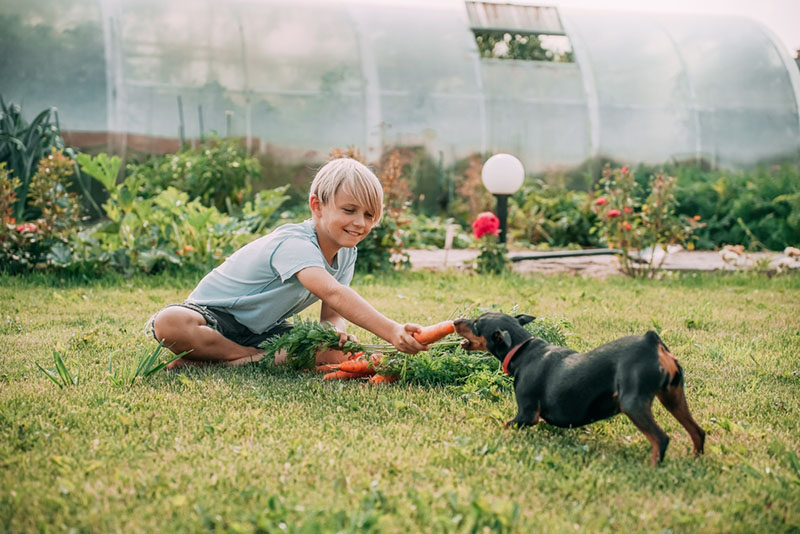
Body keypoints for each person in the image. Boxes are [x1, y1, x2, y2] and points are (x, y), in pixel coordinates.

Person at [149, 157, 427, 369]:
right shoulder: (294, 244)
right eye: (349, 210)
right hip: (214, 319)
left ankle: (218, 359)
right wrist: (392, 330)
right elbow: (333, 293)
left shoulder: (345, 253)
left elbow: (331, 315)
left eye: (369, 215)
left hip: (264, 330)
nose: (360, 223)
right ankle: (244, 359)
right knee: (170, 322)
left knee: (334, 352)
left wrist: (333, 336)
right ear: (317, 206)